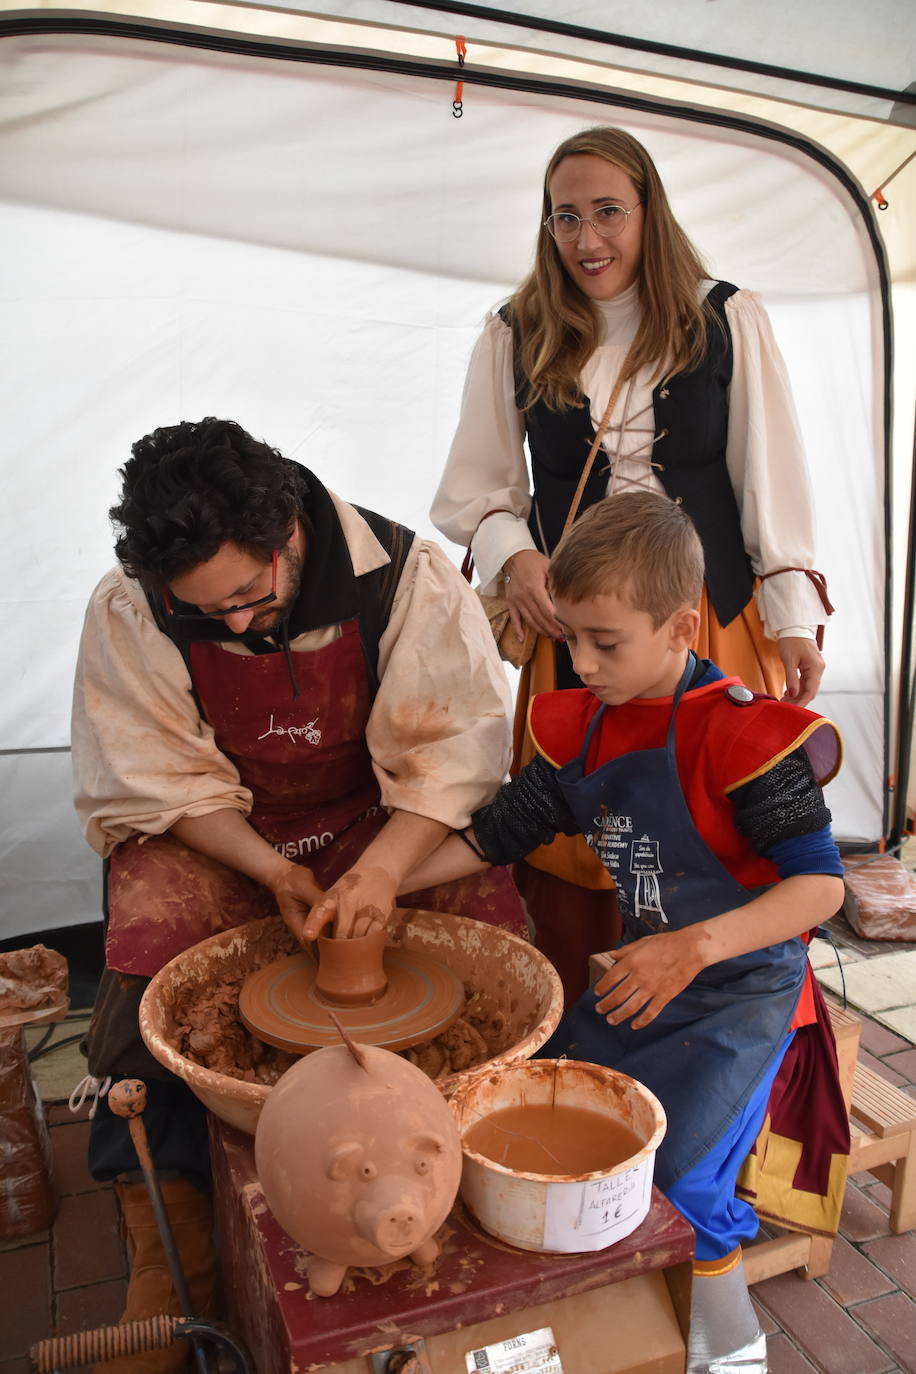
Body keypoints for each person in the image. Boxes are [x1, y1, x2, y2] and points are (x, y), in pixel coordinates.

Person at [71, 417, 526, 1372]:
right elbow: (158, 774)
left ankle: (478, 1174)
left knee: (491, 936)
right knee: (148, 951)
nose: (234, 622)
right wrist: (271, 869)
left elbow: (451, 756)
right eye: (208, 611)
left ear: (289, 533)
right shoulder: (135, 606)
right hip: (232, 830)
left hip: (383, 816)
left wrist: (385, 869)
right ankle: (174, 1249)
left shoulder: (401, 575)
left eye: (247, 595)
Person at [400, 491, 849, 1374]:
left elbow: (821, 890)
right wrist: (380, 881)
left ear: (683, 626)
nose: (582, 662)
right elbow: (499, 832)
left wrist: (694, 945)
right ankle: (590, 1333)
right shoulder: (582, 729)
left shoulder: (745, 736)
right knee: (532, 1123)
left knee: (673, 1179)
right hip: (648, 977)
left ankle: (732, 1353)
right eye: (570, 638)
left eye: (607, 643)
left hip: (743, 994)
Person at [431, 125, 833, 1002]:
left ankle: (716, 1001)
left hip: (703, 618)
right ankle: (579, 1007)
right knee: (578, 821)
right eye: (564, 218)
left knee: (708, 810)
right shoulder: (517, 330)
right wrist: (518, 557)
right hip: (576, 624)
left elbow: (769, 480)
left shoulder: (725, 317)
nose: (586, 240)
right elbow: (479, 488)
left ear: (650, 212)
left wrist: (793, 618)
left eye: (607, 212)